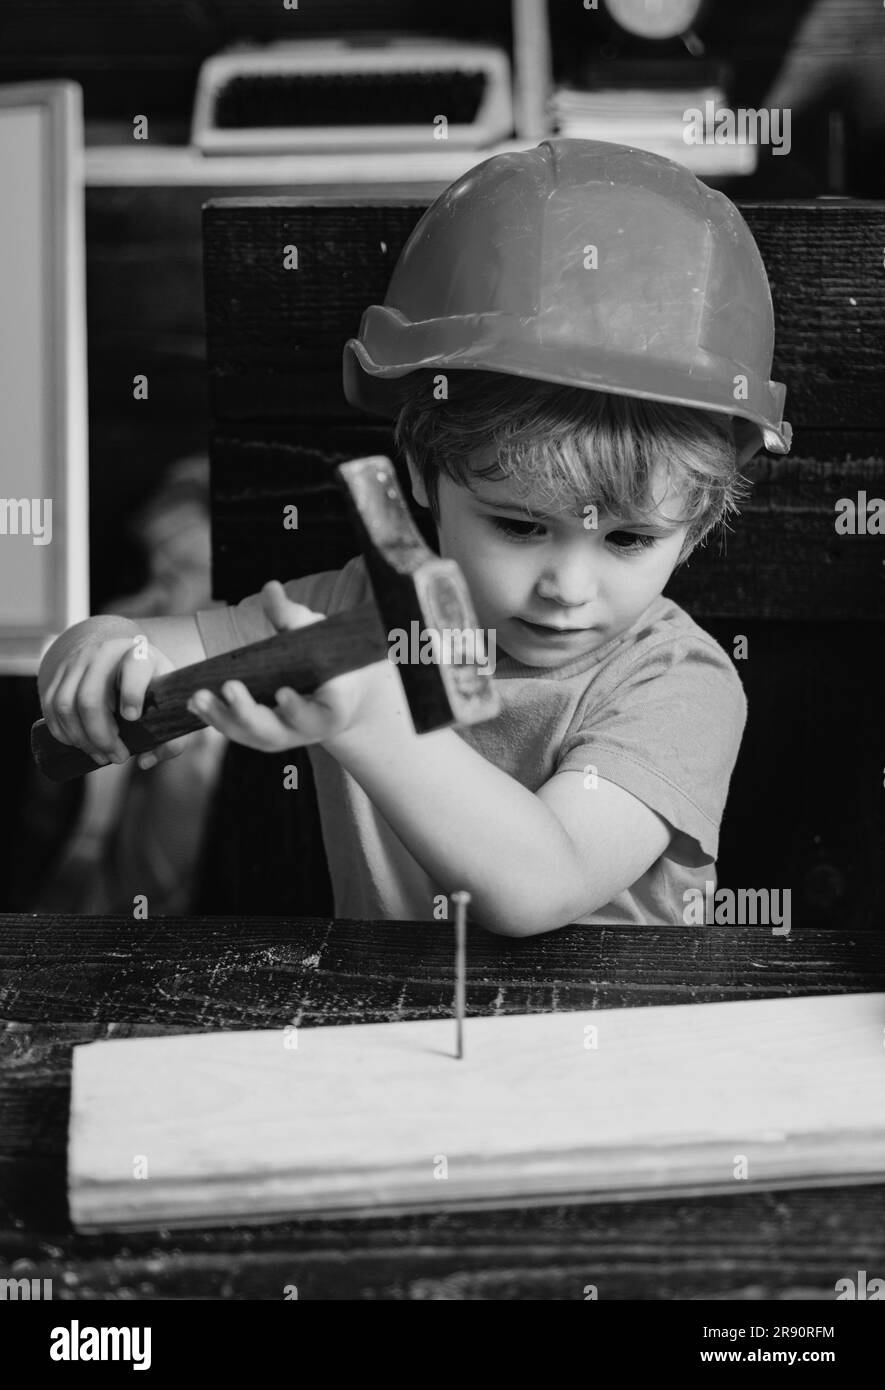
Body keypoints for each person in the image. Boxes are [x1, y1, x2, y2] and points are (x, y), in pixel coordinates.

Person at [36, 139, 791, 935]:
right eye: (520, 525)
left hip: (611, 1047)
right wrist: (97, 651)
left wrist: (371, 721)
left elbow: (543, 883)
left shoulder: (678, 688)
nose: (568, 587)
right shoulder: (356, 616)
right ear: (425, 475)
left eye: (628, 540)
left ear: (697, 522)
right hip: (392, 1036)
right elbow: (167, 652)